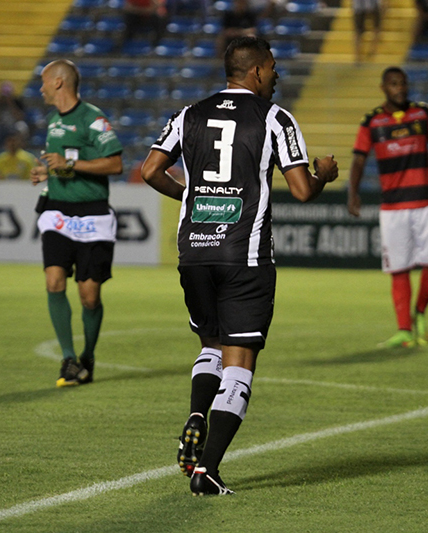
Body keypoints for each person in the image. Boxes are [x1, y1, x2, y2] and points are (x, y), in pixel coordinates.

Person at [140, 36, 338, 495]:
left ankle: (195, 414)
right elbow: (303, 190)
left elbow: (151, 170)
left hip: (194, 252)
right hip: (243, 255)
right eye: (272, 69)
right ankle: (207, 471)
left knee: (210, 344)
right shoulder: (274, 118)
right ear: (256, 71)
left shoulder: (188, 114)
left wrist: (189, 198)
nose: (277, 76)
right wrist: (323, 174)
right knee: (240, 362)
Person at [29, 60, 124, 387]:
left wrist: (69, 162)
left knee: (89, 296)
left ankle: (87, 358)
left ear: (58, 82)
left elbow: (115, 164)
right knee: (54, 280)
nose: (40, 88)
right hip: (57, 211)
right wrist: (48, 172)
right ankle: (68, 359)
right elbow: (64, 165)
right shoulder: (53, 120)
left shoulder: (93, 119)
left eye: (44, 82)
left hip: (93, 214)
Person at [347, 67, 428, 348]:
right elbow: (359, 159)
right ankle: (404, 330)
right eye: (394, 84)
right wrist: (353, 192)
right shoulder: (372, 121)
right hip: (393, 207)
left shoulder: (423, 114)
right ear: (383, 87)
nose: (401, 88)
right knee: (399, 268)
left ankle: (419, 312)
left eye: (404, 83)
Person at [0, 81, 28, 150]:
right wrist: (0, 105)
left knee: (22, 127)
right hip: (2, 125)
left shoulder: (17, 101)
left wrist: (11, 104)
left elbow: (20, 117)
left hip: (14, 124)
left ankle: (22, 148)